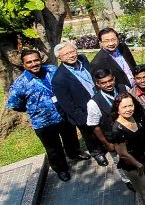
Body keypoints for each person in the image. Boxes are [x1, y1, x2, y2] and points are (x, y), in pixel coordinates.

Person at [7, 50, 89, 182]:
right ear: (24, 65)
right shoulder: (19, 85)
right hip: (43, 122)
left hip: (63, 115)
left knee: (71, 138)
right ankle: (61, 169)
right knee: (53, 149)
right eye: (29, 62)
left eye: (36, 60)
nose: (34, 64)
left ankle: (74, 154)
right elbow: (15, 105)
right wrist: (36, 109)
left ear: (41, 60)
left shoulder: (52, 70)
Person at [52, 42, 107, 166]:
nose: (71, 55)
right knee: (90, 136)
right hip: (83, 111)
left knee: (105, 127)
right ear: (59, 58)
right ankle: (97, 153)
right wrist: (82, 118)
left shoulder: (83, 59)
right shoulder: (59, 79)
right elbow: (67, 105)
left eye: (72, 51)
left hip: (99, 102)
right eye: (66, 54)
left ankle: (108, 145)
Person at [87, 69, 132, 190]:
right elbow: (95, 126)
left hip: (131, 133)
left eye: (110, 80)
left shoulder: (124, 88)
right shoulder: (94, 102)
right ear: (97, 84)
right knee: (121, 161)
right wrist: (107, 144)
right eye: (103, 83)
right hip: (114, 139)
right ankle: (127, 180)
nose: (108, 84)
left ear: (114, 78)